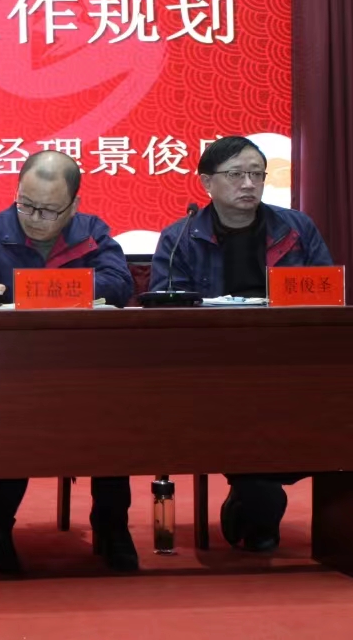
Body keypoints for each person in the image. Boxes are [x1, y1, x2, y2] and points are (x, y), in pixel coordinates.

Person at [0, 150, 137, 573]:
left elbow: (118, 283)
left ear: (73, 205)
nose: (35, 218)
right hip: (6, 374)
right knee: (17, 415)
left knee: (115, 416)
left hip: (82, 373)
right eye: (26, 205)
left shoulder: (92, 233)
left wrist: (56, 288)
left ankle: (112, 524)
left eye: (49, 210)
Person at [151, 135, 333, 552]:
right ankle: (259, 500)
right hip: (212, 369)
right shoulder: (180, 237)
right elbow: (164, 308)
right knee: (243, 416)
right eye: (236, 175)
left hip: (289, 364)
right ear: (206, 182)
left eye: (256, 174)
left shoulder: (297, 229)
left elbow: (326, 294)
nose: (249, 184)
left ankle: (255, 495)